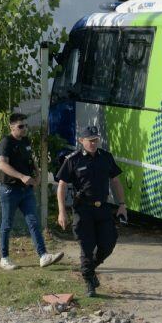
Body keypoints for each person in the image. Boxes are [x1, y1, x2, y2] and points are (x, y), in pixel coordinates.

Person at [56, 125, 126, 297]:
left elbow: (115, 181)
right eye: (90, 140)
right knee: (86, 247)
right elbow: (62, 186)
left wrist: (122, 204)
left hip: (102, 208)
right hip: (83, 209)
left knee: (109, 242)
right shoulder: (73, 159)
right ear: (81, 141)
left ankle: (89, 269)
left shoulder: (106, 157)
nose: (94, 143)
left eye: (96, 140)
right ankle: (89, 283)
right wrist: (62, 211)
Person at [0, 112, 64, 270]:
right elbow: (2, 165)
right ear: (11, 127)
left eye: (26, 125)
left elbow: (30, 159)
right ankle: (4, 258)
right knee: (7, 224)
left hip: (26, 190)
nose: (24, 129)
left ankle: (43, 255)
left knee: (33, 221)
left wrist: (38, 173)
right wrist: (21, 176)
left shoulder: (26, 141)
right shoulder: (6, 142)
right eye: (20, 126)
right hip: (10, 190)